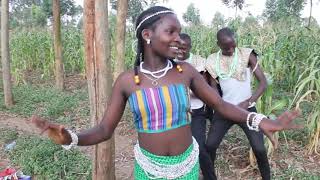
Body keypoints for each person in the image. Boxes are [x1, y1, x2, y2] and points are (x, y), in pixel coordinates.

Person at [31, 6, 300, 180]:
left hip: (188, 167)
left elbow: (219, 103)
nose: (178, 39)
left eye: (180, 33)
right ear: (147, 35)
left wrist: (262, 121)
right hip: (149, 171)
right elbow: (104, 130)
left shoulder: (186, 71)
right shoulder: (128, 81)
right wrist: (71, 137)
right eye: (171, 31)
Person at [205, 27, 270, 180]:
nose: (232, 49)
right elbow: (213, 88)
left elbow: (263, 83)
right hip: (224, 110)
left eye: (233, 45)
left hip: (246, 109)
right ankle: (209, 177)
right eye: (226, 47)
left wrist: (249, 101)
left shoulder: (247, 54)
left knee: (259, 148)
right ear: (218, 44)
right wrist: (221, 106)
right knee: (210, 146)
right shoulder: (212, 60)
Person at [176, 33, 215, 180]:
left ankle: (210, 177)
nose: (180, 51)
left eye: (183, 48)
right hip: (177, 112)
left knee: (198, 146)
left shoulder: (199, 63)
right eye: (177, 47)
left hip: (196, 110)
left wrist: (187, 89)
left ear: (190, 48)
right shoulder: (169, 62)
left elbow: (204, 89)